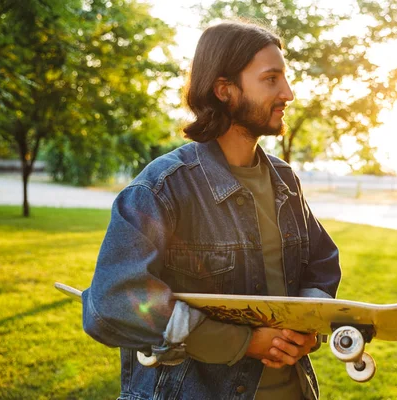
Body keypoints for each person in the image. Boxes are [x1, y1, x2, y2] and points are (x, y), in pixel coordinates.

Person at [82, 20, 341, 400]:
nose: (288, 93)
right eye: (271, 79)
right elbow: (113, 300)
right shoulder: (164, 186)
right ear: (225, 91)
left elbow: (322, 261)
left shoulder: (284, 178)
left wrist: (304, 329)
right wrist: (241, 342)